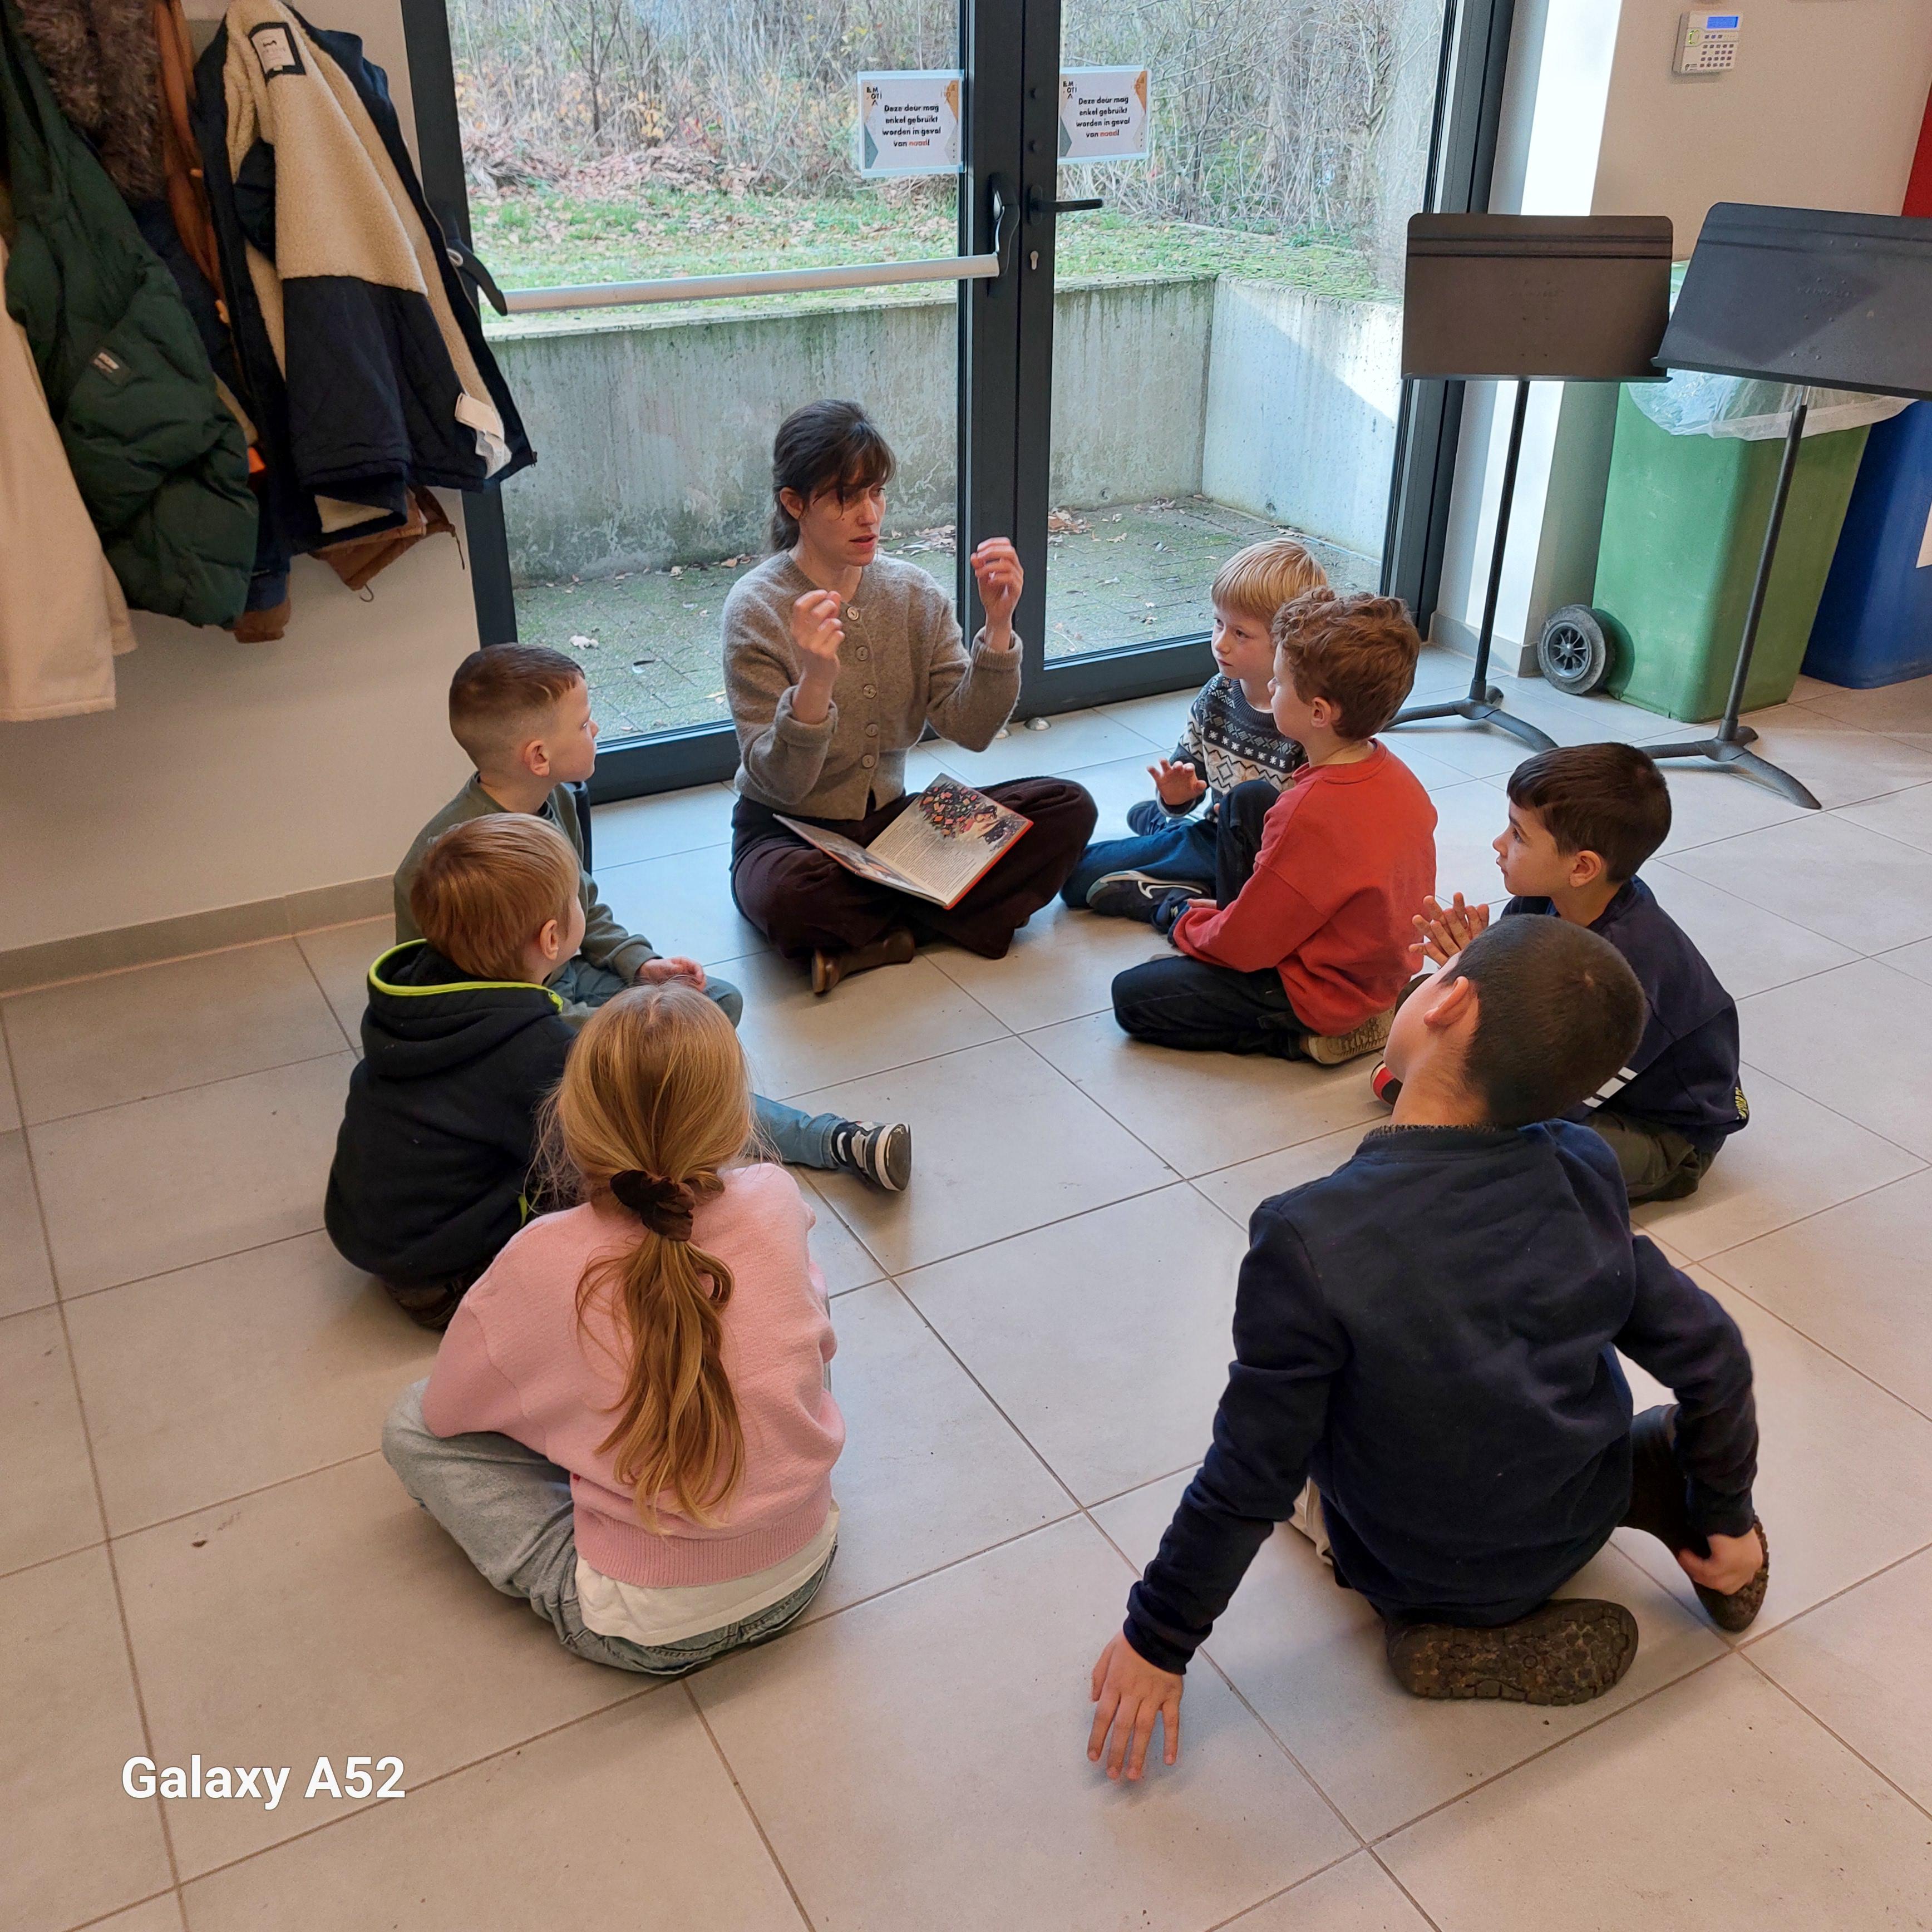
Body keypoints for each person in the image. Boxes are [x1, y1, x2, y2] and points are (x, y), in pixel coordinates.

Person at [1086, 917, 1769, 1780]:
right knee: (1593, 1396)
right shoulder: (1586, 1164)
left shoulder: (1309, 1236)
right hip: (1578, 1499)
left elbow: (1249, 1474)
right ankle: (1674, 1489)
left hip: (1433, 1567)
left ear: (1448, 1002)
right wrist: (1728, 1514)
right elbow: (1715, 1355)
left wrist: (1158, 1635)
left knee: (1299, 1461)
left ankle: (1445, 1631)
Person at [382, 983, 844, 1674]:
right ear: (735, 1117)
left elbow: (448, 1412)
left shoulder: (540, 1255)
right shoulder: (776, 1194)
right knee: (794, 1310)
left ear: (570, 1117)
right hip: (805, 1561)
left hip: (647, 1630)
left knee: (410, 1423)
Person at [395, 643, 910, 1190]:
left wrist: (641, 966)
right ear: (538, 756)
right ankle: (833, 1140)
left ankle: (661, 1107)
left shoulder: (555, 799)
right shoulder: (466, 863)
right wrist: (618, 1030)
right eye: (583, 723)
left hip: (560, 977)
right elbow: (488, 1013)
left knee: (717, 1003)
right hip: (514, 1028)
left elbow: (583, 906)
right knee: (664, 1056)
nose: (596, 728)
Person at [723, 399, 1097, 994]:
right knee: (792, 898)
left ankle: (874, 938)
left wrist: (999, 626)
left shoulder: (912, 591)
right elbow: (780, 783)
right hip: (789, 832)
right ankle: (938, 913)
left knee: (1067, 809)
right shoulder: (755, 607)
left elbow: (970, 728)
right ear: (794, 504)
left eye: (876, 492)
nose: (869, 514)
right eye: (845, 497)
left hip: (894, 828)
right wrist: (815, 682)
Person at [1405, 742, 1746, 1203]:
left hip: (1659, 1129)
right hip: (1569, 1056)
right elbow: (1516, 995)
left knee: (1522, 1151)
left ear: (1582, 867)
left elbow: (1565, 1095)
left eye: (1518, 835)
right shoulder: (1545, 895)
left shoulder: (1632, 981)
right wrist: (1473, 960)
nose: (1499, 844)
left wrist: (1456, 1098)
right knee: (1428, 996)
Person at [1109, 589, 1436, 1066]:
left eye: (1279, 684)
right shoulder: (1399, 778)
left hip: (1322, 989)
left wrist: (1189, 925)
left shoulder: (1308, 812)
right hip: (1368, 967)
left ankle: (1296, 1039)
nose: (1270, 690)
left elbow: (1247, 947)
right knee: (1249, 801)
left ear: (1319, 713)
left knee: (1133, 998)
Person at [1062, 537, 1324, 918]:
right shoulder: (1217, 693)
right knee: (1076, 875)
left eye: (1240, 634)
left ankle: (1173, 901)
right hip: (1213, 835)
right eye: (1218, 623)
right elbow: (1189, 778)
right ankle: (1169, 831)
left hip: (1269, 866)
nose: (1220, 644)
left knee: (1080, 878)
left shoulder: (1306, 718)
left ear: (1288, 643)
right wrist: (1174, 798)